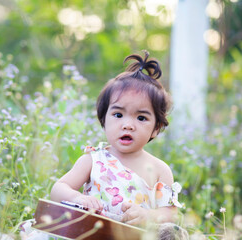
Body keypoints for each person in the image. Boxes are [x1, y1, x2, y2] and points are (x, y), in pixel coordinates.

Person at [50, 50, 185, 230]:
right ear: (104, 120)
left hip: (133, 236)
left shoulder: (160, 170)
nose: (128, 125)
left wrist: (148, 215)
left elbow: (170, 213)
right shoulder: (93, 160)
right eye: (118, 114)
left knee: (171, 232)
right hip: (90, 234)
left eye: (141, 118)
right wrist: (79, 198)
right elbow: (58, 189)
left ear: (156, 129)